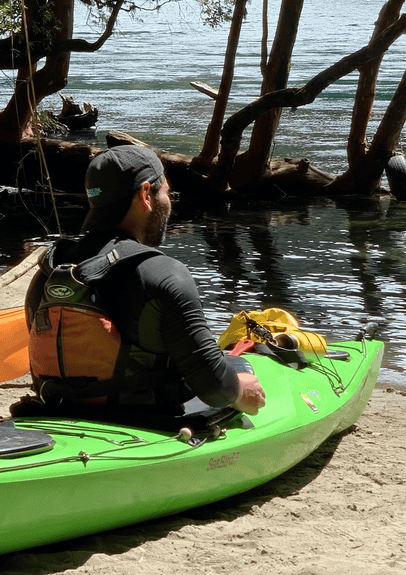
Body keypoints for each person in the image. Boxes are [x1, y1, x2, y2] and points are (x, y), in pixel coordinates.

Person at [23, 144, 265, 433]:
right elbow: (214, 387)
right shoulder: (164, 274)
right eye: (167, 193)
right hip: (148, 422)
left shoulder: (51, 271)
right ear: (145, 195)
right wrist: (241, 390)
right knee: (239, 369)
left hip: (60, 412)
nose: (170, 202)